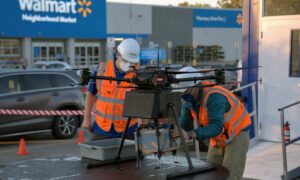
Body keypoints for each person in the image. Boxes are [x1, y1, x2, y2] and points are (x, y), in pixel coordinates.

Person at [176, 80, 251, 180]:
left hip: (237, 134)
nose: (185, 95)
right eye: (182, 93)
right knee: (211, 173)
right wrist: (177, 131)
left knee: (231, 176)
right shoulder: (187, 99)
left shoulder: (214, 96)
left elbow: (216, 126)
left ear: (196, 87)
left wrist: (191, 134)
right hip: (219, 137)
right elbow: (185, 122)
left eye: (187, 91)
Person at [82, 38, 140, 140]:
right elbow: (91, 94)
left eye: (131, 62)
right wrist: (87, 119)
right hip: (101, 129)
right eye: (126, 60)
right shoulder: (101, 70)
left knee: (130, 156)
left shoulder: (139, 75)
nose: (129, 65)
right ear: (118, 55)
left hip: (128, 131)